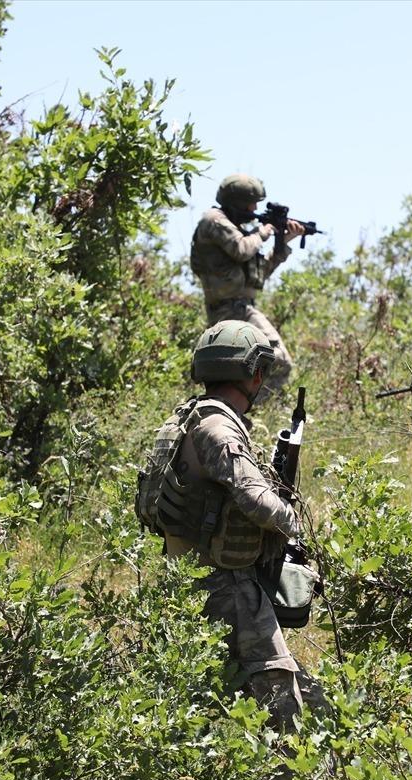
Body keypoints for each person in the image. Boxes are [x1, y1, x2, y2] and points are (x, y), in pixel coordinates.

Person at [137, 319, 325, 741]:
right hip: (227, 588)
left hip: (197, 581)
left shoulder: (192, 418)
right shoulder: (219, 429)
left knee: (289, 694)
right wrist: (303, 530)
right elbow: (255, 499)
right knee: (282, 701)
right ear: (253, 373)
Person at [190, 173, 305, 399]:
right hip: (231, 309)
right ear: (237, 201)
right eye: (251, 203)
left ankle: (244, 409)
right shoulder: (214, 220)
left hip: (240, 308)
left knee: (245, 369)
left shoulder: (238, 229)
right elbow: (241, 249)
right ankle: (252, 410)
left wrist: (284, 241)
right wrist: (266, 230)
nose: (254, 209)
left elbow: (258, 275)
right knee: (278, 360)